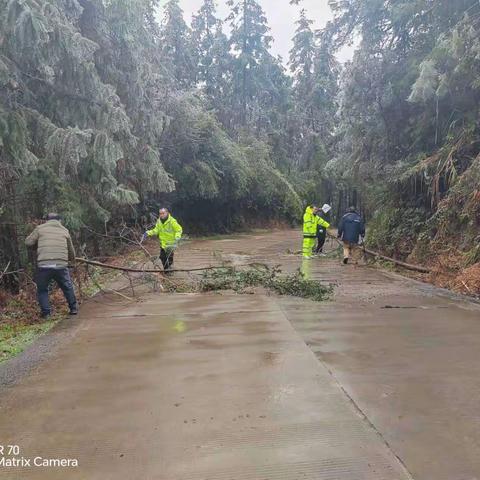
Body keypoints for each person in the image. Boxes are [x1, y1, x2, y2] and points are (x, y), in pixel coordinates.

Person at [25, 213, 78, 318]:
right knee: (67, 286)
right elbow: (71, 251)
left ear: (47, 220)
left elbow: (28, 242)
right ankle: (73, 309)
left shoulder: (39, 229)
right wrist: (72, 261)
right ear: (59, 220)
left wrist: (37, 244)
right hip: (61, 264)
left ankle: (46, 314)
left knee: (43, 290)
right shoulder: (64, 230)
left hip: (44, 264)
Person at [143, 208, 183, 272]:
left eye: (163, 213)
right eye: (160, 213)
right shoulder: (159, 221)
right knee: (162, 257)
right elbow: (156, 230)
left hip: (171, 243)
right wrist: (148, 233)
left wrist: (177, 236)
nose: (161, 215)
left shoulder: (172, 221)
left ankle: (169, 270)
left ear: (167, 213)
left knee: (168, 258)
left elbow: (179, 229)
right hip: (163, 243)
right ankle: (167, 270)